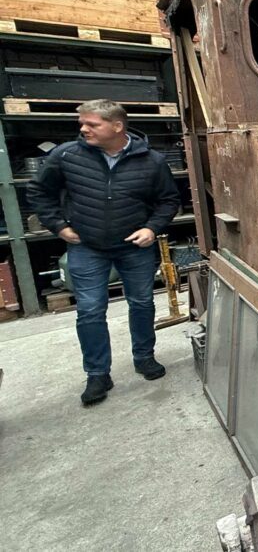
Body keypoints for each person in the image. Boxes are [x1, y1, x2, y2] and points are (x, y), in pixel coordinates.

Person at [27, 99, 180, 406]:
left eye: (92, 124)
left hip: (134, 247)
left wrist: (152, 228)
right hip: (87, 247)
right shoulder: (66, 155)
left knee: (141, 302)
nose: (83, 129)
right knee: (90, 310)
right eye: (82, 123)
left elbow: (168, 200)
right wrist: (59, 226)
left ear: (117, 126)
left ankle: (144, 357)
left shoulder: (151, 160)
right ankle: (98, 374)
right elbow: (38, 191)